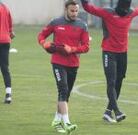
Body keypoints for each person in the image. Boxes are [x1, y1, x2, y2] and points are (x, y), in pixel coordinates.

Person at [80, 0, 138, 123]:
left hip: (123, 53)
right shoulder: (108, 13)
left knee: (119, 82)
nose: (125, 11)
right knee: (111, 82)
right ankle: (117, 111)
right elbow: (90, 8)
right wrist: (84, 2)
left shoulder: (130, 13)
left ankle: (107, 112)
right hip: (109, 52)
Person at [38, 0, 90, 134]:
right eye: (72, 11)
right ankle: (67, 123)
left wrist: (72, 49)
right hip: (57, 62)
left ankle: (56, 120)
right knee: (63, 89)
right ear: (66, 10)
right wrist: (44, 43)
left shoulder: (82, 25)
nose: (74, 13)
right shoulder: (56, 22)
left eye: (76, 11)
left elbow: (86, 47)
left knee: (65, 94)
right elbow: (41, 35)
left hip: (73, 64)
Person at [0, 0, 15, 104]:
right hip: (5, 40)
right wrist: (10, 32)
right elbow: (10, 26)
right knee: (5, 68)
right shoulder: (5, 7)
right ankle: (8, 94)